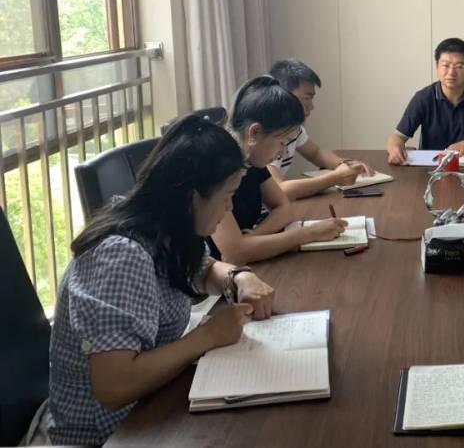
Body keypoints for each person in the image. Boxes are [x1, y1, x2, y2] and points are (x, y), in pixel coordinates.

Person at [44, 116, 276, 446]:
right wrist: (208, 336)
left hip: (153, 406)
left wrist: (239, 277)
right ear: (192, 197)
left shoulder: (167, 225)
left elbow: (202, 270)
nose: (228, 209)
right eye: (227, 196)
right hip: (108, 434)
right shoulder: (120, 256)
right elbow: (115, 386)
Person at [209, 76, 346, 264]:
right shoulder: (214, 166)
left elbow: (284, 208)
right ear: (254, 132)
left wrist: (255, 236)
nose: (282, 152)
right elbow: (235, 253)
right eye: (281, 142)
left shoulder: (251, 158)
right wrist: (309, 233)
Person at [386, 37, 464, 164]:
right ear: (437, 66)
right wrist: (395, 149)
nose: (451, 72)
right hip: (432, 168)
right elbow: (398, 136)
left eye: (459, 66)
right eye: (445, 65)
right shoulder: (423, 98)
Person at [268, 60, 374, 198]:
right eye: (307, 98)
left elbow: (316, 153)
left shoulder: (294, 129)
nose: (312, 107)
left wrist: (345, 165)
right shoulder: (267, 135)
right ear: (283, 96)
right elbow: (279, 191)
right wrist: (335, 178)